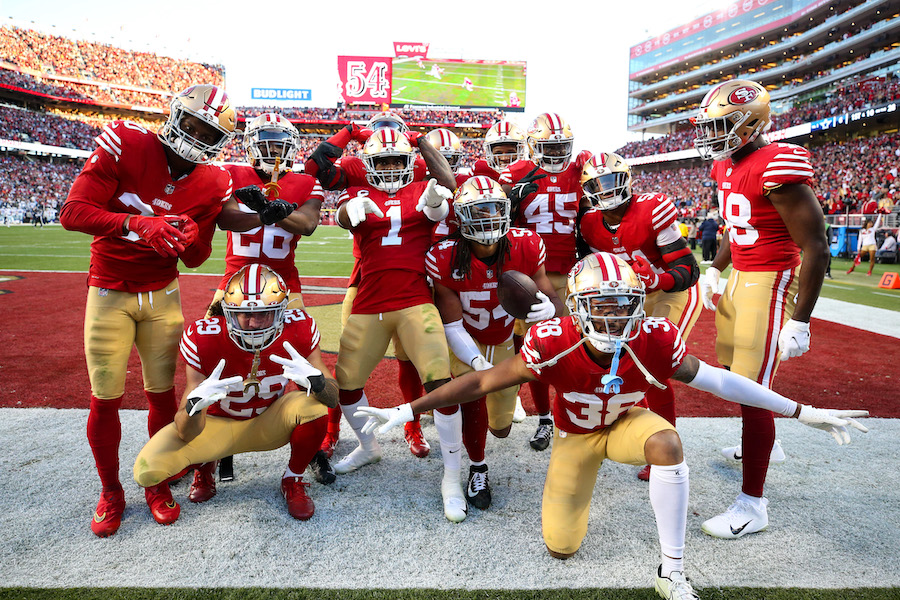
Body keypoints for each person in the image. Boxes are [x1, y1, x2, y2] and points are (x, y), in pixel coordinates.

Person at [356, 252, 867, 600]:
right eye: (600, 306)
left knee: (667, 442)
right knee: (560, 546)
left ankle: (672, 570)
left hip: (626, 425)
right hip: (574, 439)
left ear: (637, 305)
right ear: (576, 310)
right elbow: (480, 382)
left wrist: (801, 411)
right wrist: (408, 410)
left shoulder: (654, 337)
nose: (613, 318)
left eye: (623, 306)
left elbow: (721, 381)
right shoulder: (554, 340)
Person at [60, 84, 291, 538]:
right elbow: (72, 211)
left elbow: (197, 257)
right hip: (109, 290)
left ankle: (158, 481)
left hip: (162, 293)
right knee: (104, 397)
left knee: (163, 394)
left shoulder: (213, 180)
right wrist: (136, 222)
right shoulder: (127, 141)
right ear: (174, 115)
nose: (196, 136)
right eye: (191, 123)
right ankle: (111, 491)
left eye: (208, 132)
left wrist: (188, 235)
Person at [694, 79, 830, 538]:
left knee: (752, 390)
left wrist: (801, 320)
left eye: (720, 126)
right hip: (740, 278)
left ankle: (753, 505)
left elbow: (816, 246)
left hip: (770, 281)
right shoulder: (725, 165)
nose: (711, 135)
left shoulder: (777, 163)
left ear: (749, 123)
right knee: (733, 372)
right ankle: (765, 445)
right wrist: (715, 269)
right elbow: (736, 226)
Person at [333, 127, 469, 522]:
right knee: (347, 383)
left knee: (440, 384)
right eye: (384, 160)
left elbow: (442, 199)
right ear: (369, 164)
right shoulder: (358, 191)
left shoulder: (422, 188)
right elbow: (342, 215)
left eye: (398, 159)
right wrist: (348, 212)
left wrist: (436, 205)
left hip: (415, 301)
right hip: (369, 302)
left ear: (410, 162)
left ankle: (452, 477)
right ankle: (368, 446)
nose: (392, 166)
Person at [133, 264, 338, 522]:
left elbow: (333, 397)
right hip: (216, 426)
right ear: (228, 313)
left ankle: (292, 479)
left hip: (268, 422)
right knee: (148, 469)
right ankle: (205, 467)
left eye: (263, 315)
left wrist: (317, 383)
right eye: (244, 315)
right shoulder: (204, 338)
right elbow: (184, 430)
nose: (253, 324)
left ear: (281, 312)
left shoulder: (299, 328)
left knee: (314, 406)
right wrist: (194, 406)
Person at [425, 176, 564, 509]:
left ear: (506, 210)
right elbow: (452, 324)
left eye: (494, 209)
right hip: (467, 338)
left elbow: (554, 299)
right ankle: (478, 467)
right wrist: (476, 362)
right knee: (472, 400)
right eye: (479, 210)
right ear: (461, 217)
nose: (488, 217)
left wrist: (551, 308)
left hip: (503, 340)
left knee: (500, 427)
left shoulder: (526, 245)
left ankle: (490, 425)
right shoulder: (444, 256)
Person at [205, 111, 327, 486]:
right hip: (233, 282)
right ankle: (217, 448)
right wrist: (266, 214)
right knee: (219, 363)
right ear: (251, 146)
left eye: (279, 144)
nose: (273, 151)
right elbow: (225, 219)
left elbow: (308, 224)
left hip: (285, 285)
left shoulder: (305, 181)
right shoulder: (231, 173)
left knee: (304, 365)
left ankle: (312, 447)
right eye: (266, 144)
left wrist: (270, 210)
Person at [305, 112, 432, 460]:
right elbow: (315, 167)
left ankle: (413, 425)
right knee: (347, 359)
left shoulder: (418, 166)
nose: (389, 161)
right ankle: (333, 429)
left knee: (410, 359)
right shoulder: (356, 166)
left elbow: (448, 183)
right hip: (365, 272)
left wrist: (421, 141)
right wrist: (348, 131)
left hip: (410, 273)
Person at [576, 152, 701, 480]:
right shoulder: (589, 224)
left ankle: (667, 449)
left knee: (654, 365)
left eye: (610, 182)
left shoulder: (651, 209)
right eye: (596, 185)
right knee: (624, 364)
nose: (605, 191)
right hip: (633, 296)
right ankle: (643, 435)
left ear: (626, 180)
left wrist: (657, 280)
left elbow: (689, 269)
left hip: (669, 290)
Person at [499, 112, 590, 452]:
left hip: (568, 273)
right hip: (526, 274)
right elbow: (497, 214)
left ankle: (573, 413)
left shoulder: (579, 171)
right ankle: (544, 418)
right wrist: (510, 198)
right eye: (549, 147)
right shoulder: (517, 171)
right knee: (533, 348)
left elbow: (591, 216)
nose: (556, 153)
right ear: (534, 146)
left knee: (572, 346)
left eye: (561, 147)